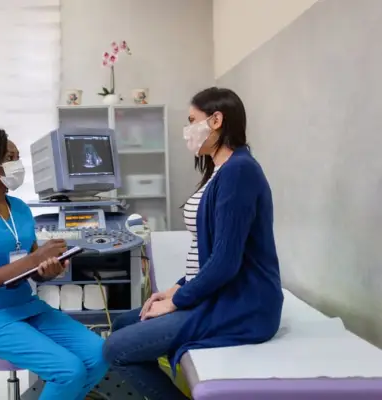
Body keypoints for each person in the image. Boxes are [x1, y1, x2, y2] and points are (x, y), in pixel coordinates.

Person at [103, 87, 284, 400]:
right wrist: (176, 288)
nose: (187, 130)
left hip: (241, 306)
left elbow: (225, 262)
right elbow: (208, 254)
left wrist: (177, 301)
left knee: (114, 349)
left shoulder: (239, 172)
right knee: (122, 324)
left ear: (216, 120)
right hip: (216, 295)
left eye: (191, 120)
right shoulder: (221, 171)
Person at [0, 127, 108, 400]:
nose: (18, 163)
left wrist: (50, 269)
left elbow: (35, 271)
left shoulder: (20, 208)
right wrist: (33, 259)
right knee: (69, 371)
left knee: (99, 354)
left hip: (28, 307)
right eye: (10, 157)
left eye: (18, 156)